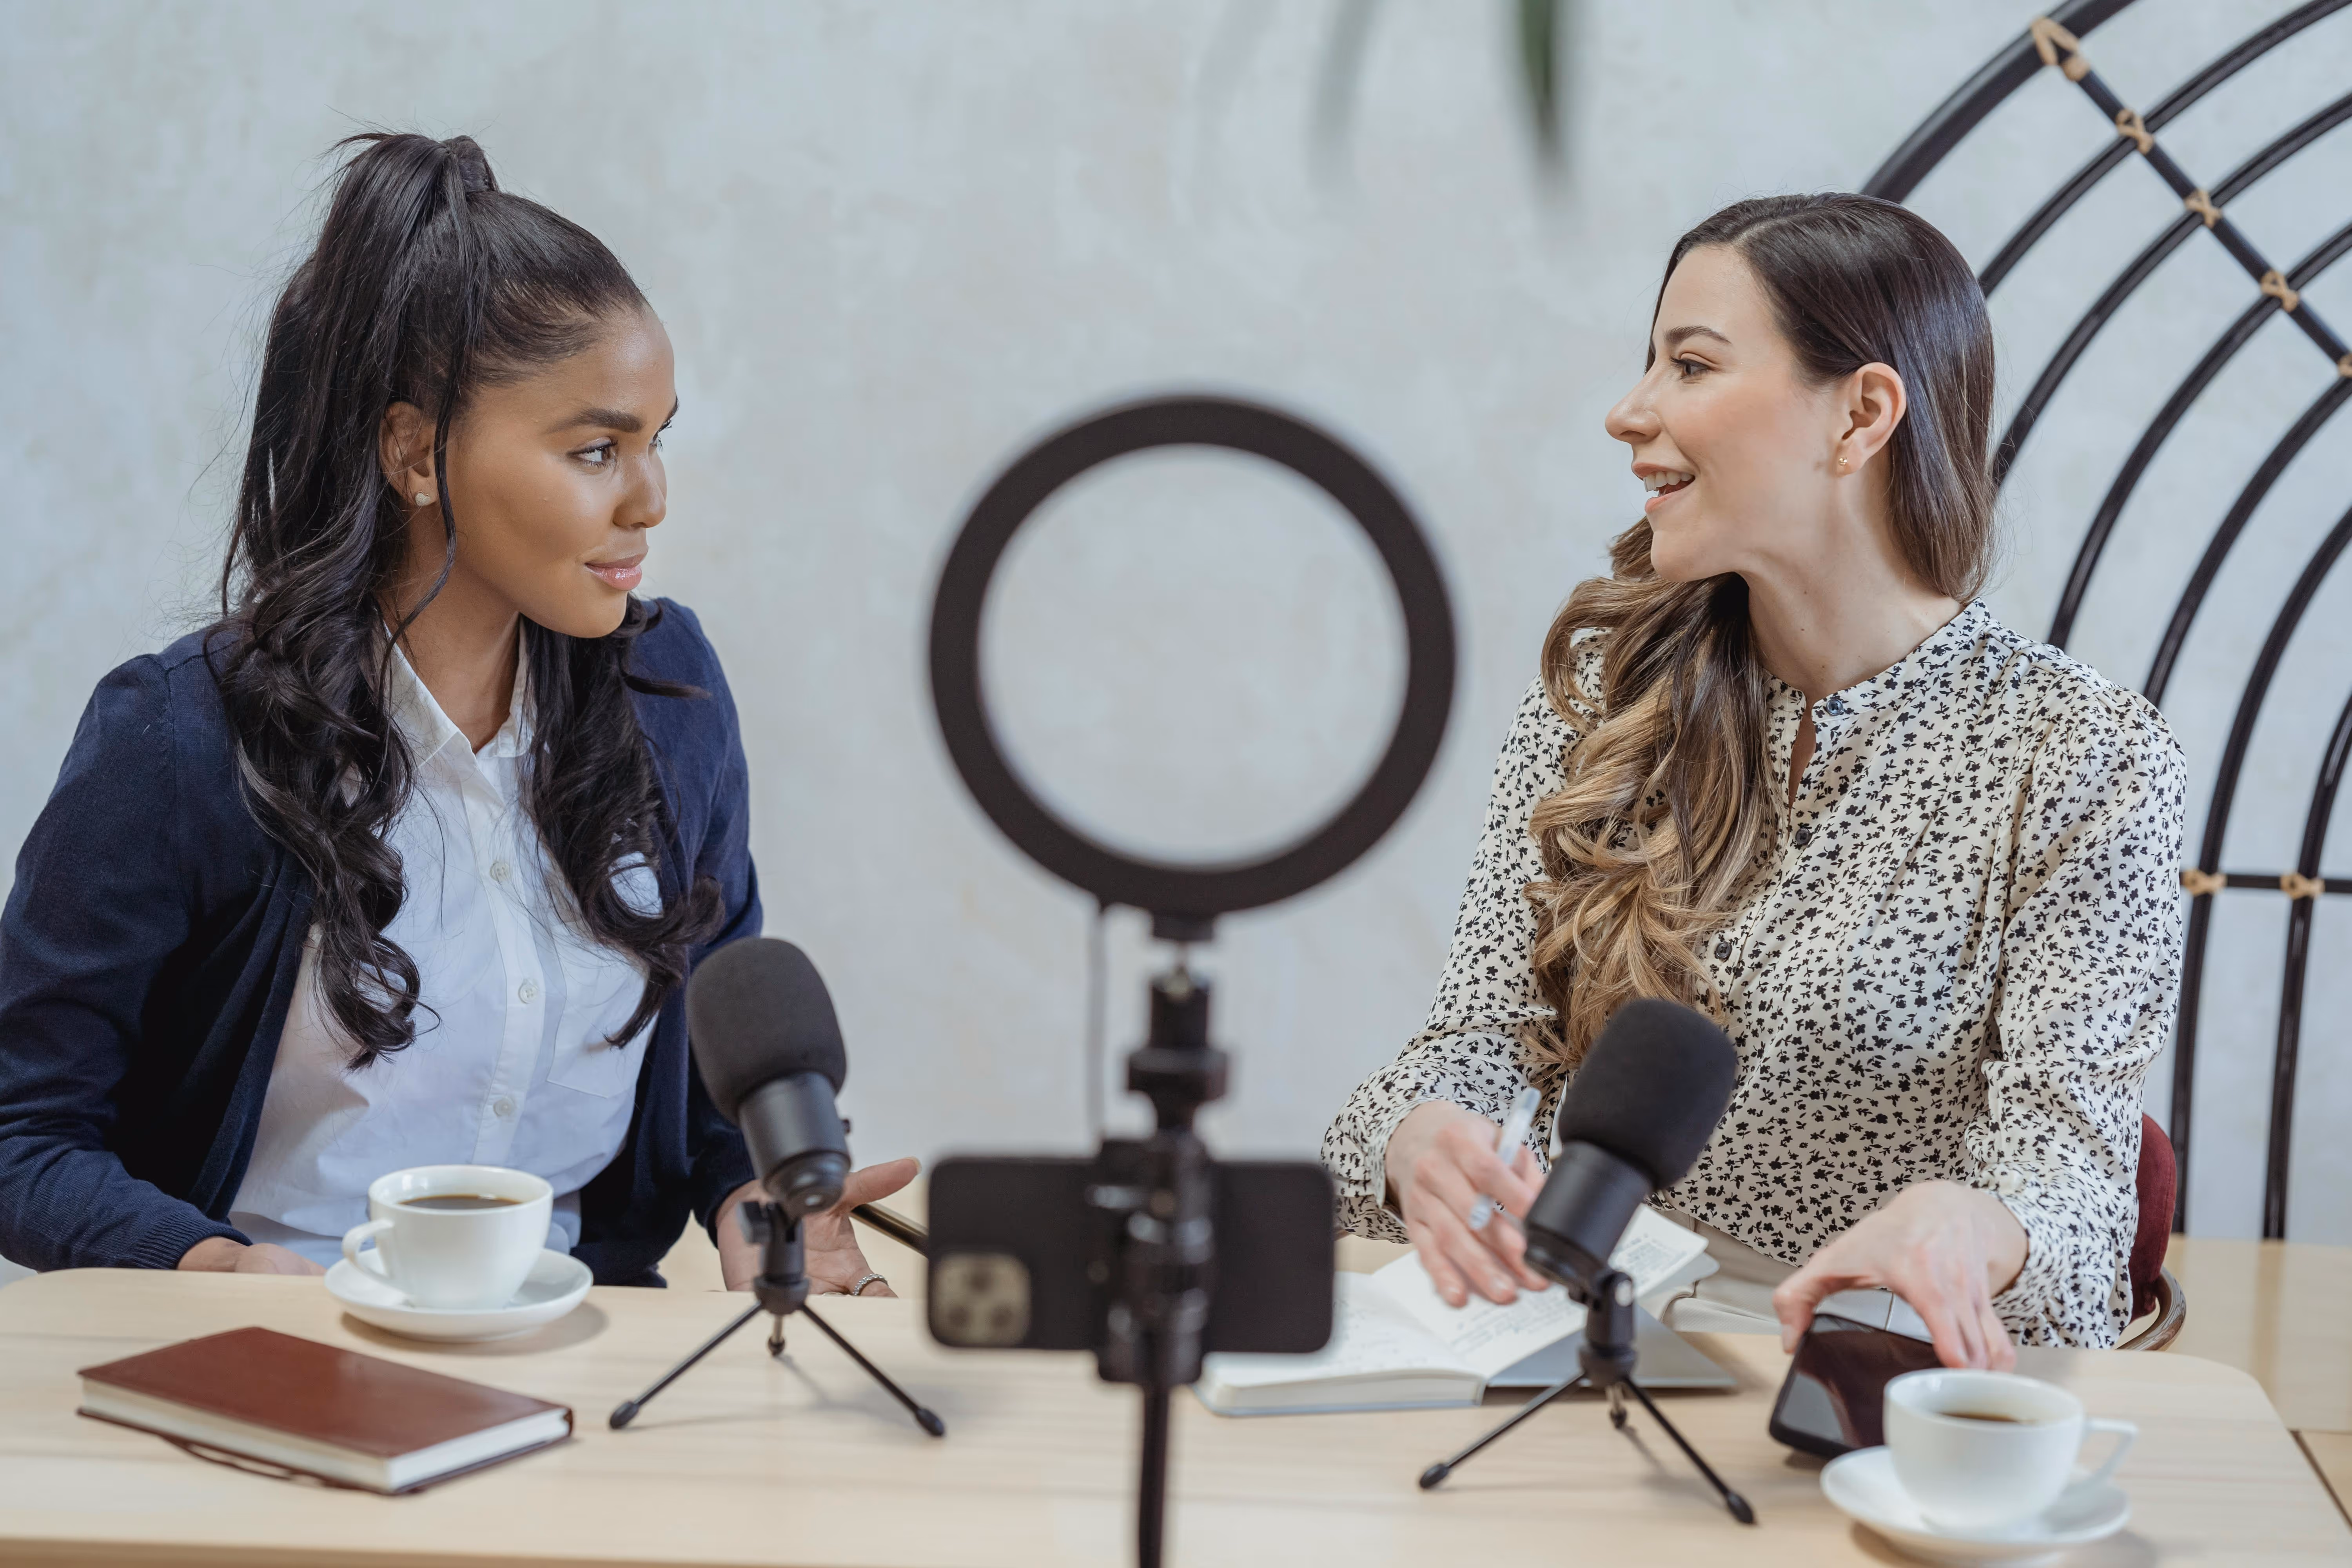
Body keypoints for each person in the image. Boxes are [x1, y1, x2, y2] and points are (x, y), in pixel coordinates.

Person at [0, 133, 909, 1297]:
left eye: (656, 439)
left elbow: (713, 1065)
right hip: (274, 1361)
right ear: (416, 454)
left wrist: (756, 1203)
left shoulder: (668, 698)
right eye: (596, 449)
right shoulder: (180, 739)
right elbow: (26, 1136)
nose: (652, 499)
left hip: (583, 1367)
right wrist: (212, 1266)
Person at [1323, 193, 2187, 1369]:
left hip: (1863, 1380)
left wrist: (1981, 1226)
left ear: (1863, 414)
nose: (1630, 412)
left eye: (1690, 364)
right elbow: (1484, 1036)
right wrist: (1417, 1136)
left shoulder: (2086, 755)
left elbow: (2072, 1168)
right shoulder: (1604, 690)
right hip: (1571, 1345)